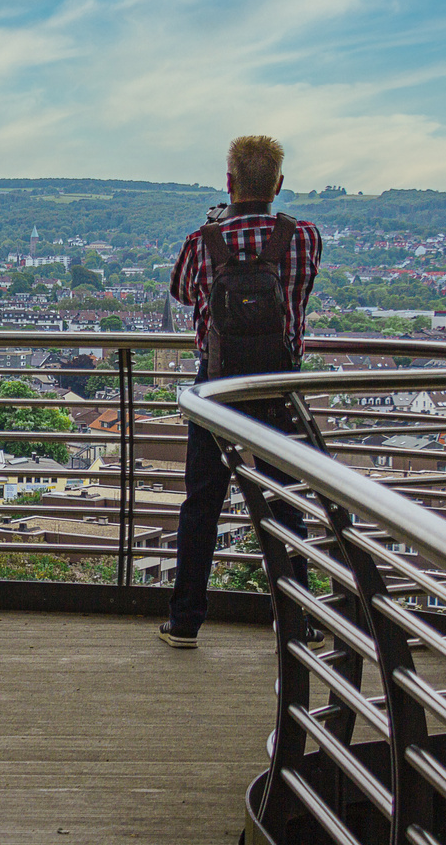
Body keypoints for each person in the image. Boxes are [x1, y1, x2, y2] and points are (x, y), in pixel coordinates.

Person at [158, 135, 322, 649]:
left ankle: (185, 620)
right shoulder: (304, 238)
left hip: (219, 388)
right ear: (278, 184)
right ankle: (298, 621)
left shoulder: (201, 241)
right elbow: (304, 288)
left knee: (202, 504)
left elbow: (182, 291)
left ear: (229, 183)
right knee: (286, 501)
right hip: (278, 385)